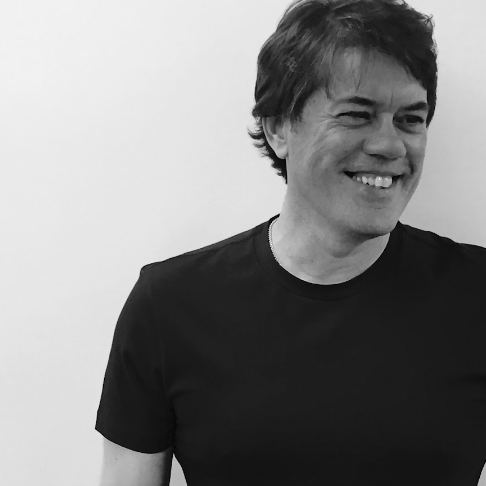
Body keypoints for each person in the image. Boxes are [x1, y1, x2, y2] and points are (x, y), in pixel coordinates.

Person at [95, 0, 486, 484]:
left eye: (410, 119)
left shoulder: (476, 295)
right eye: (356, 114)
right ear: (278, 128)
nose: (390, 145)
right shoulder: (168, 306)